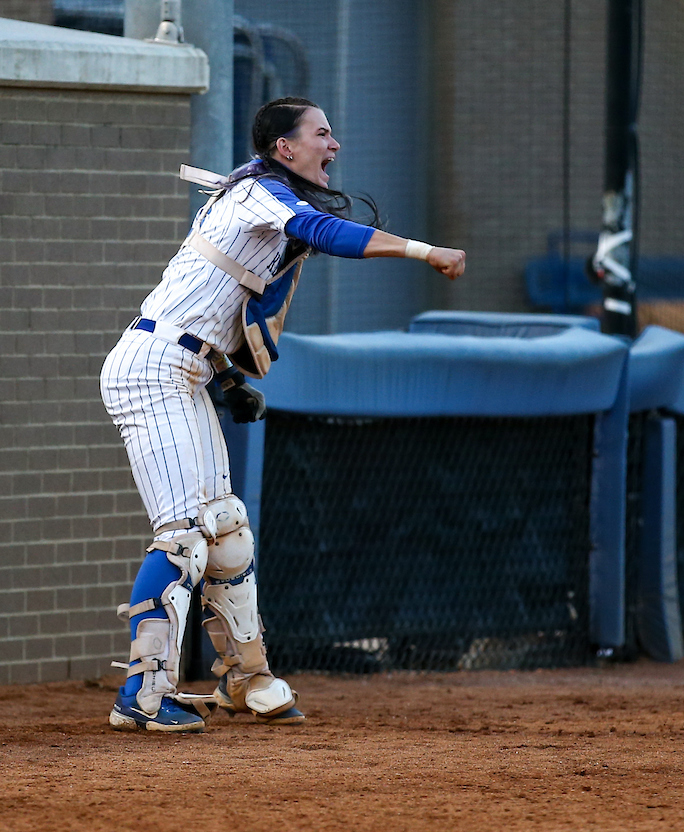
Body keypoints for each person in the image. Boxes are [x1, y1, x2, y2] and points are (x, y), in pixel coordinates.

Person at [100, 96, 465, 733]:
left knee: (227, 528)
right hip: (153, 368)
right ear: (285, 148)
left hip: (187, 366)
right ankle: (144, 693)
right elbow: (325, 232)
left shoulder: (266, 198)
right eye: (322, 133)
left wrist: (228, 376)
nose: (335, 144)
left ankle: (248, 677)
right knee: (185, 532)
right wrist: (423, 251)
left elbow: (217, 303)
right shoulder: (259, 192)